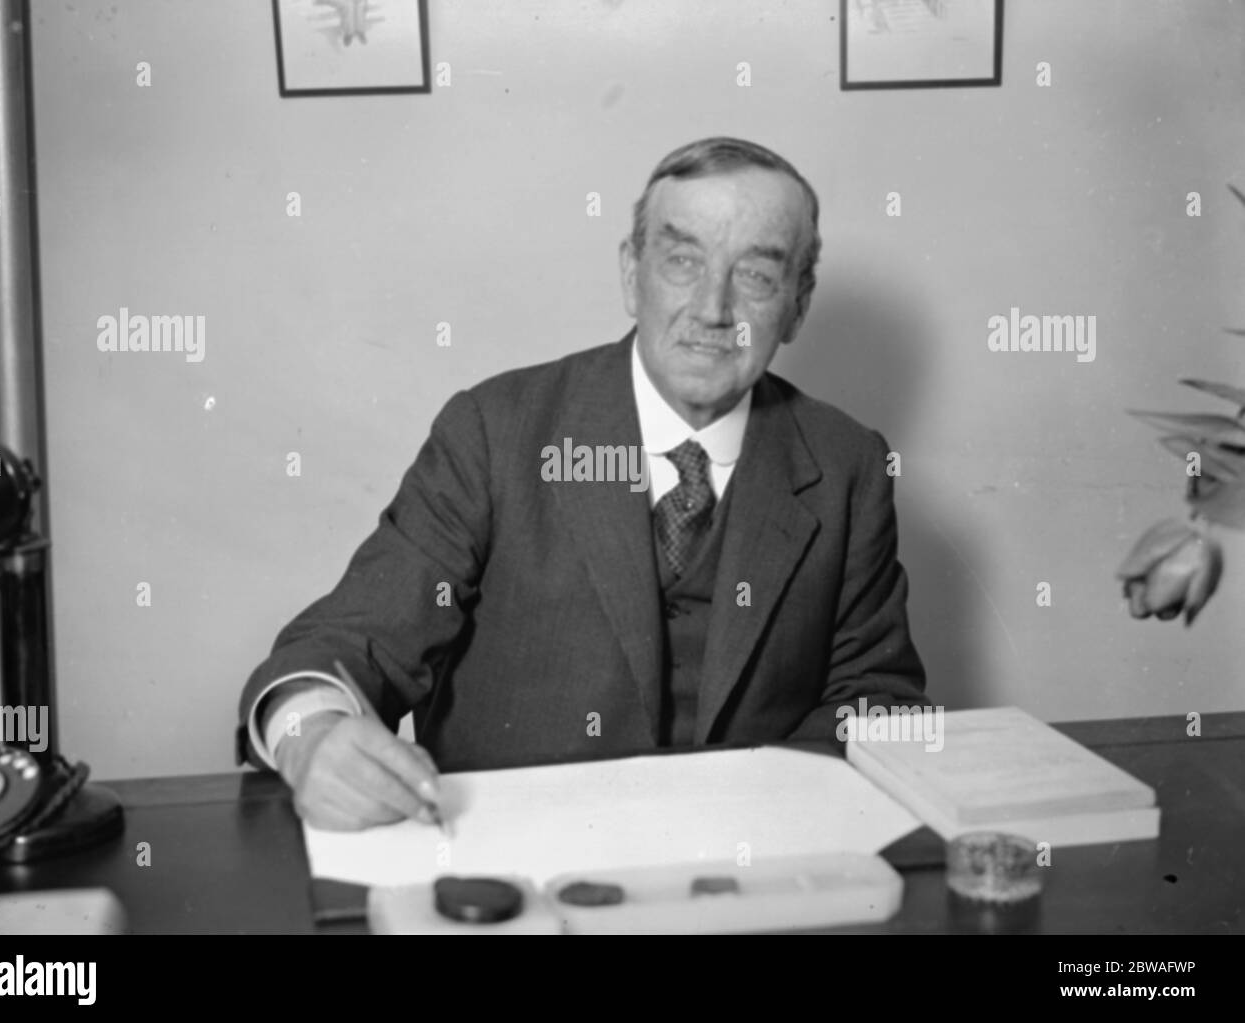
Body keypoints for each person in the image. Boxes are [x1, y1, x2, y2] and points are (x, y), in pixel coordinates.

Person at [235, 136, 927, 830]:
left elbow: (877, 698)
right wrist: (311, 736)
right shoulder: (495, 432)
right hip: (516, 876)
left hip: (752, 871)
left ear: (798, 306)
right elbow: (354, 640)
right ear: (632, 275)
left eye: (755, 276)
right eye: (683, 260)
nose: (713, 309)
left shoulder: (847, 465)